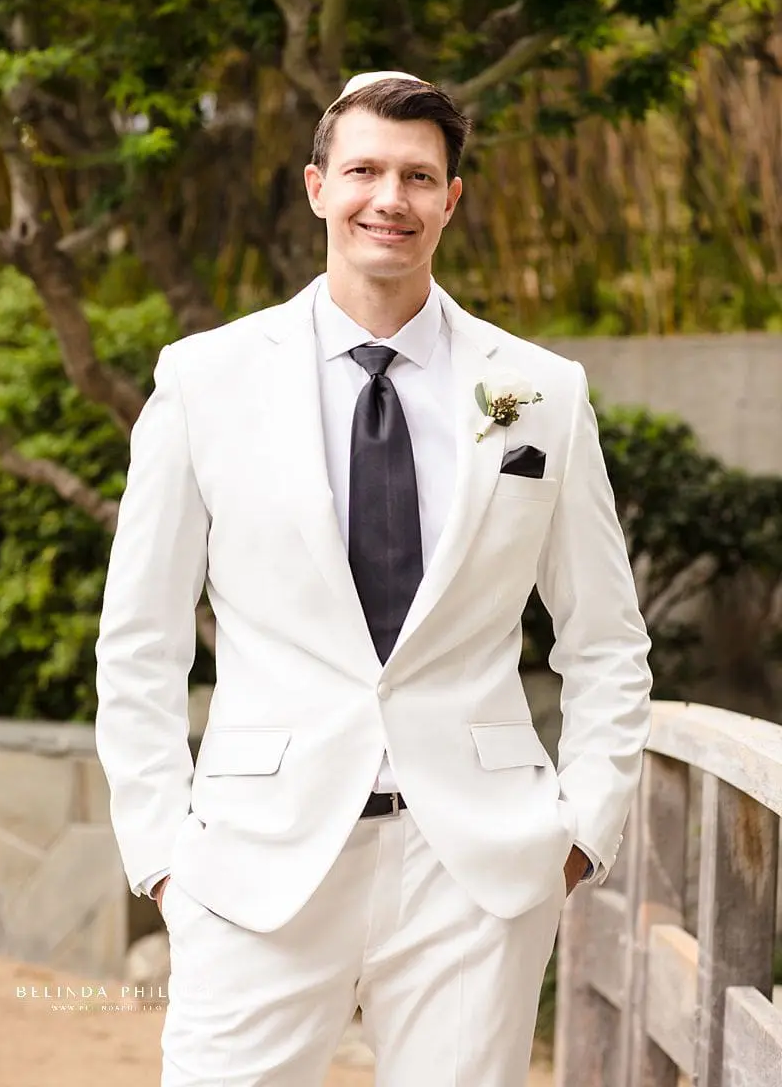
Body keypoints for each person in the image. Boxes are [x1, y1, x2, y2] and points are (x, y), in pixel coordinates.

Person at [95, 70, 652, 1087]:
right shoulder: (203, 379)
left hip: (476, 867)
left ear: (451, 199)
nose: (386, 199)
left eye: (416, 176)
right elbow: (140, 640)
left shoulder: (537, 392)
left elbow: (606, 640)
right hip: (255, 862)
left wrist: (579, 835)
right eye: (362, 170)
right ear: (317, 187)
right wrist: (165, 859)